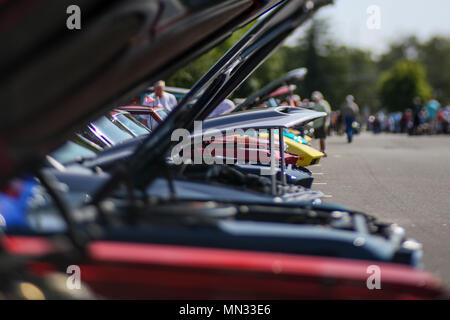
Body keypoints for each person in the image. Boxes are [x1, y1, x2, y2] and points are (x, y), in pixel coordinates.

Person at [310, 91, 331, 155]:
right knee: (319, 137)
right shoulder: (315, 104)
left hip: (322, 123)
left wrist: (325, 124)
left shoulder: (323, 104)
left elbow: (326, 114)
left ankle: (323, 150)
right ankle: (321, 150)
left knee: (322, 138)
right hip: (316, 123)